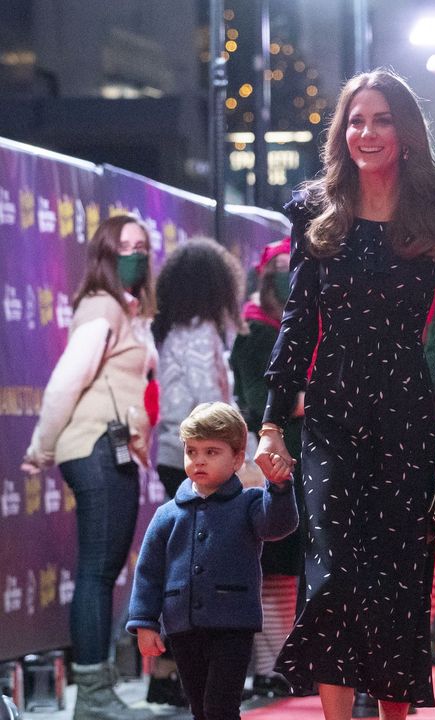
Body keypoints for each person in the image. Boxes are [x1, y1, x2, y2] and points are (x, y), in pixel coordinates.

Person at [253, 68, 435, 717]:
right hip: (332, 412)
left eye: (381, 119)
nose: (367, 132)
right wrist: (272, 424)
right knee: (329, 575)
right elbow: (298, 322)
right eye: (356, 120)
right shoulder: (315, 210)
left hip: (407, 410)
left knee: (397, 580)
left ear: (404, 131)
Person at [21, 214, 157, 720]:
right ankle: (94, 695)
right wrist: (41, 446)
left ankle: (98, 692)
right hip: (94, 445)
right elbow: (66, 380)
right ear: (104, 253)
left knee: (102, 571)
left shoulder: (124, 309)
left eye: (143, 246)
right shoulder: (101, 306)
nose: (136, 254)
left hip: (107, 446)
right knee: (98, 573)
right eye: (125, 246)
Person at [126, 402, 298, 720]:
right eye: (192, 451)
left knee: (221, 706)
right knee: (200, 707)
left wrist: (279, 487)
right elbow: (149, 571)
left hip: (234, 623)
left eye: (212, 452)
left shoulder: (249, 503)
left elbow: (279, 526)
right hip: (182, 626)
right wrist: (145, 623)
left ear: (237, 459)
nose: (199, 460)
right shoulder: (167, 514)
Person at [228, 238, 305, 696]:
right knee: (274, 564)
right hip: (266, 461)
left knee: (288, 565)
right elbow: (258, 403)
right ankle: (270, 666)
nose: (284, 274)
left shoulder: (295, 327)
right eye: (276, 266)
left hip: (295, 461)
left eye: (290, 266)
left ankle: (282, 663)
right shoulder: (253, 331)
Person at [153, 238, 244, 496]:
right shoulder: (198, 334)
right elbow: (211, 402)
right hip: (199, 457)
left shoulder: (178, 332)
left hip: (182, 453)